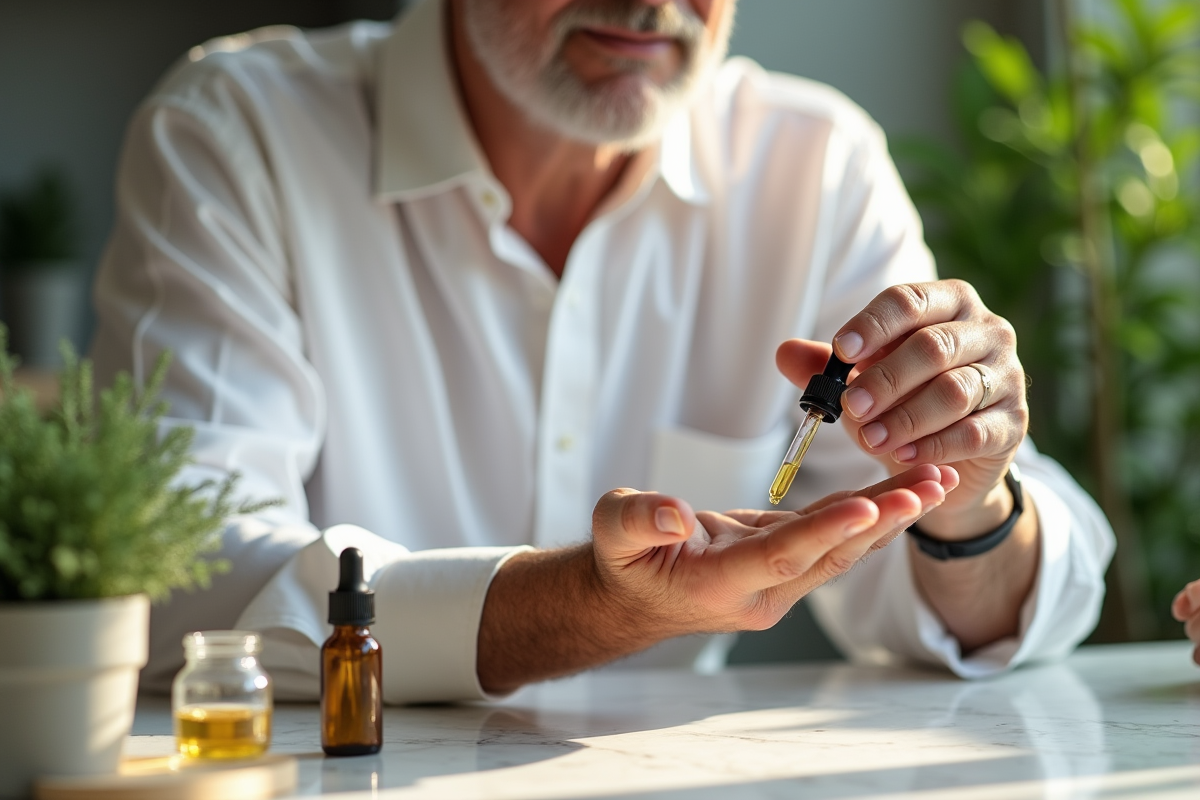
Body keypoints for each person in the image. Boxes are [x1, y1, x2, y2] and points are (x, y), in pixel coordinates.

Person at [91, 0, 1115, 703]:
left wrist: (971, 507)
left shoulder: (814, 164)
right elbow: (183, 569)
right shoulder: (239, 132)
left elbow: (937, 594)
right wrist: (580, 606)